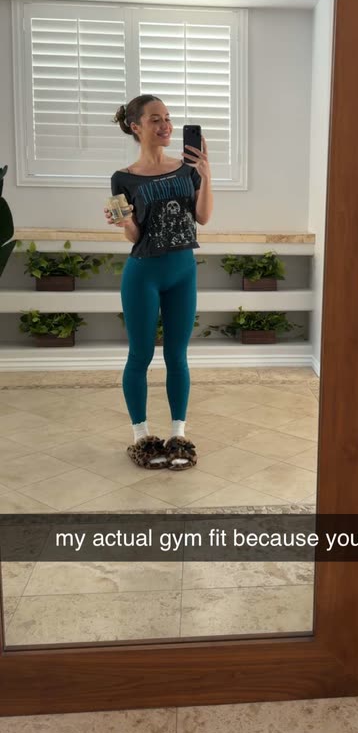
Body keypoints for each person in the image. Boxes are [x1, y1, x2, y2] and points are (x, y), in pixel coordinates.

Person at [104, 94, 213, 470]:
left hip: (183, 272)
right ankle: (142, 437)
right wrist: (125, 222)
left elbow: (203, 217)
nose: (166, 125)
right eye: (155, 119)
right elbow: (134, 236)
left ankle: (179, 435)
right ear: (136, 127)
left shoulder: (187, 169)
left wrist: (206, 175)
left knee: (176, 356)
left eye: (167, 118)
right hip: (143, 275)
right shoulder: (122, 178)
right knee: (141, 355)